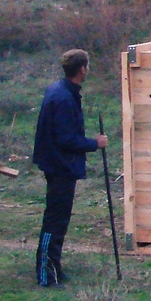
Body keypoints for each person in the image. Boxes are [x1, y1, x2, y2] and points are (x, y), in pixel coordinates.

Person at [33, 49, 108, 287]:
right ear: (82, 69)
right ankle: (45, 273)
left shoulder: (60, 90)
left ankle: (54, 267)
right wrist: (94, 144)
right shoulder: (64, 98)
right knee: (55, 219)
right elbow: (66, 139)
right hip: (60, 165)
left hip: (58, 164)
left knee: (59, 218)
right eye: (87, 66)